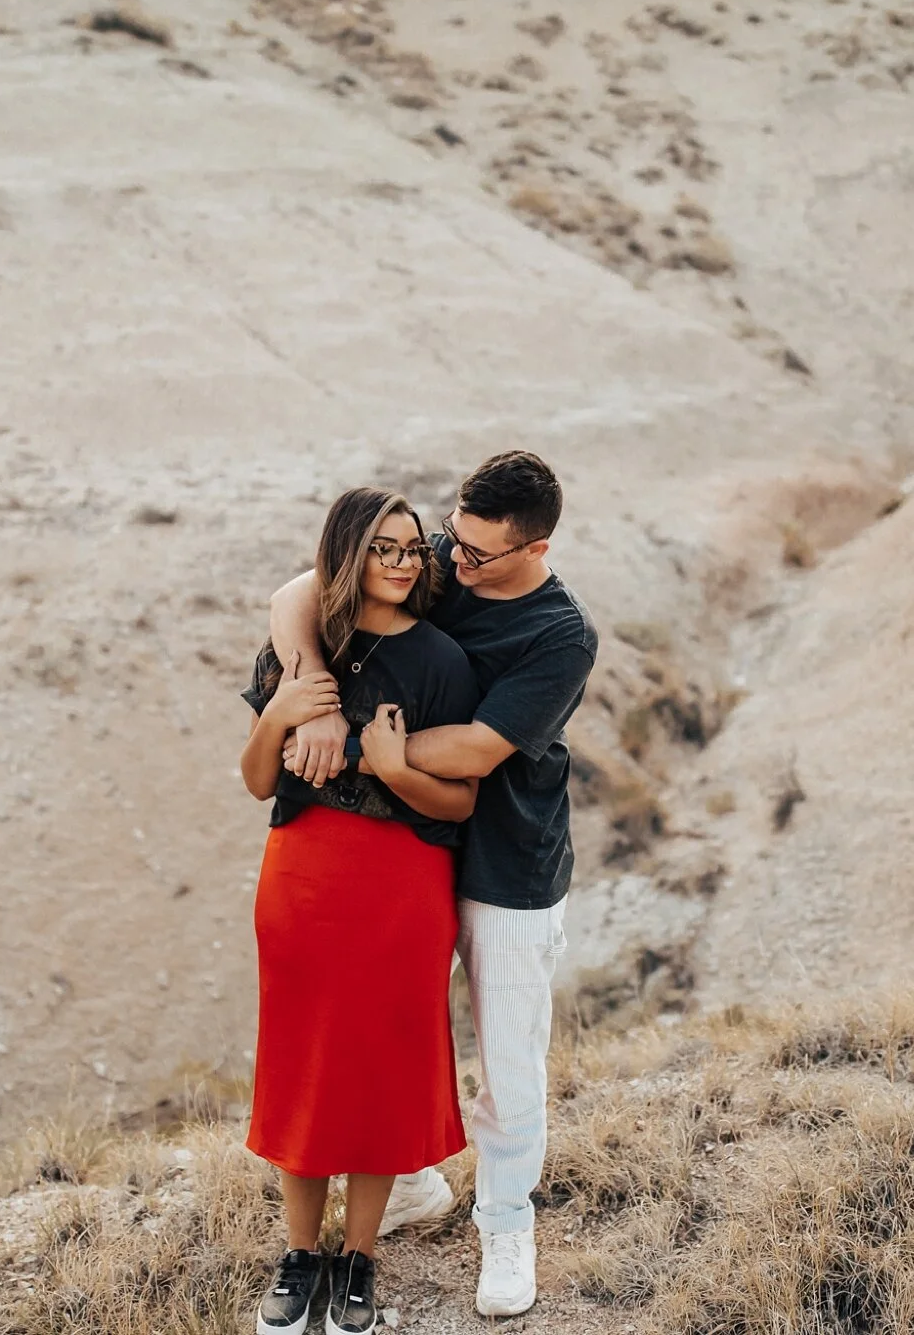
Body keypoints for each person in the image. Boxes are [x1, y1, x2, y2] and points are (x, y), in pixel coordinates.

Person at [271, 451, 599, 1318]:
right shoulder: (445, 562)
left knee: (509, 1063)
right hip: (409, 859)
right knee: (385, 1032)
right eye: (453, 536)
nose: (455, 560)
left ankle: (506, 1225)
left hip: (506, 866)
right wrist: (316, 699)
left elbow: (479, 749)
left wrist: (364, 749)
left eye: (479, 553)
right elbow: (297, 593)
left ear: (536, 548)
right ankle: (412, 1184)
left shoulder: (562, 635)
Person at [238, 486, 483, 1335]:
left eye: (413, 548)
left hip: (404, 888)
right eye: (385, 547)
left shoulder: (443, 660)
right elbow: (258, 780)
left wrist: (393, 765)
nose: (404, 562)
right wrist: (280, 712)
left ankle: (360, 1260)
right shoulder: (306, 652)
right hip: (301, 882)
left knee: (379, 1070)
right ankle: (299, 1255)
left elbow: (460, 801)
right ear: (348, 551)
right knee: (302, 1063)